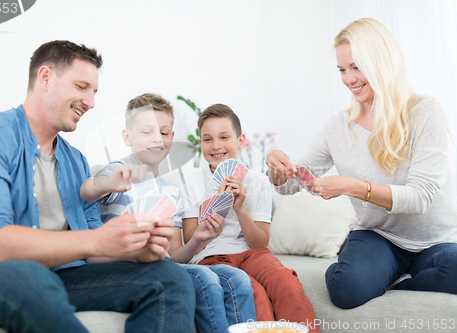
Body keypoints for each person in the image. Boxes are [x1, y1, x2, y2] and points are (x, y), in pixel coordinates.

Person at [0, 41, 195, 333]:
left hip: (59, 276)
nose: (91, 102)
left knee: (169, 277)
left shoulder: (75, 162)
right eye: (82, 86)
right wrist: (96, 240)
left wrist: (135, 251)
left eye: (94, 92)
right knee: (30, 277)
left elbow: (92, 252)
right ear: (45, 78)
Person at [266, 18, 457, 310]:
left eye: (356, 67)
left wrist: (355, 188)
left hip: (435, 241)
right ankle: (367, 266)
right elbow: (293, 182)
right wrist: (278, 170)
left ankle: (398, 281)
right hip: (377, 237)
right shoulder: (339, 127)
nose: (348, 79)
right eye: (342, 70)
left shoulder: (426, 112)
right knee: (348, 289)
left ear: (382, 63)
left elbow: (421, 197)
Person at [80, 93, 257, 333]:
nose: (157, 139)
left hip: (163, 265)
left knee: (237, 278)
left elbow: (174, 257)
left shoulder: (171, 191)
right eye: (147, 132)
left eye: (164, 133)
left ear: (171, 138)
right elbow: (92, 190)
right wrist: (108, 181)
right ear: (127, 137)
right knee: (206, 280)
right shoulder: (118, 171)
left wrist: (198, 238)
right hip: (125, 268)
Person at [182, 104, 319, 332]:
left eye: (224, 137)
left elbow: (260, 243)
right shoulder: (192, 182)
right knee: (254, 291)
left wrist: (240, 209)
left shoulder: (258, 181)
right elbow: (190, 244)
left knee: (284, 279)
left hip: (251, 253)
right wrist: (217, 206)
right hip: (211, 256)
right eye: (207, 139)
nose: (216, 146)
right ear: (200, 144)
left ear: (240, 141)